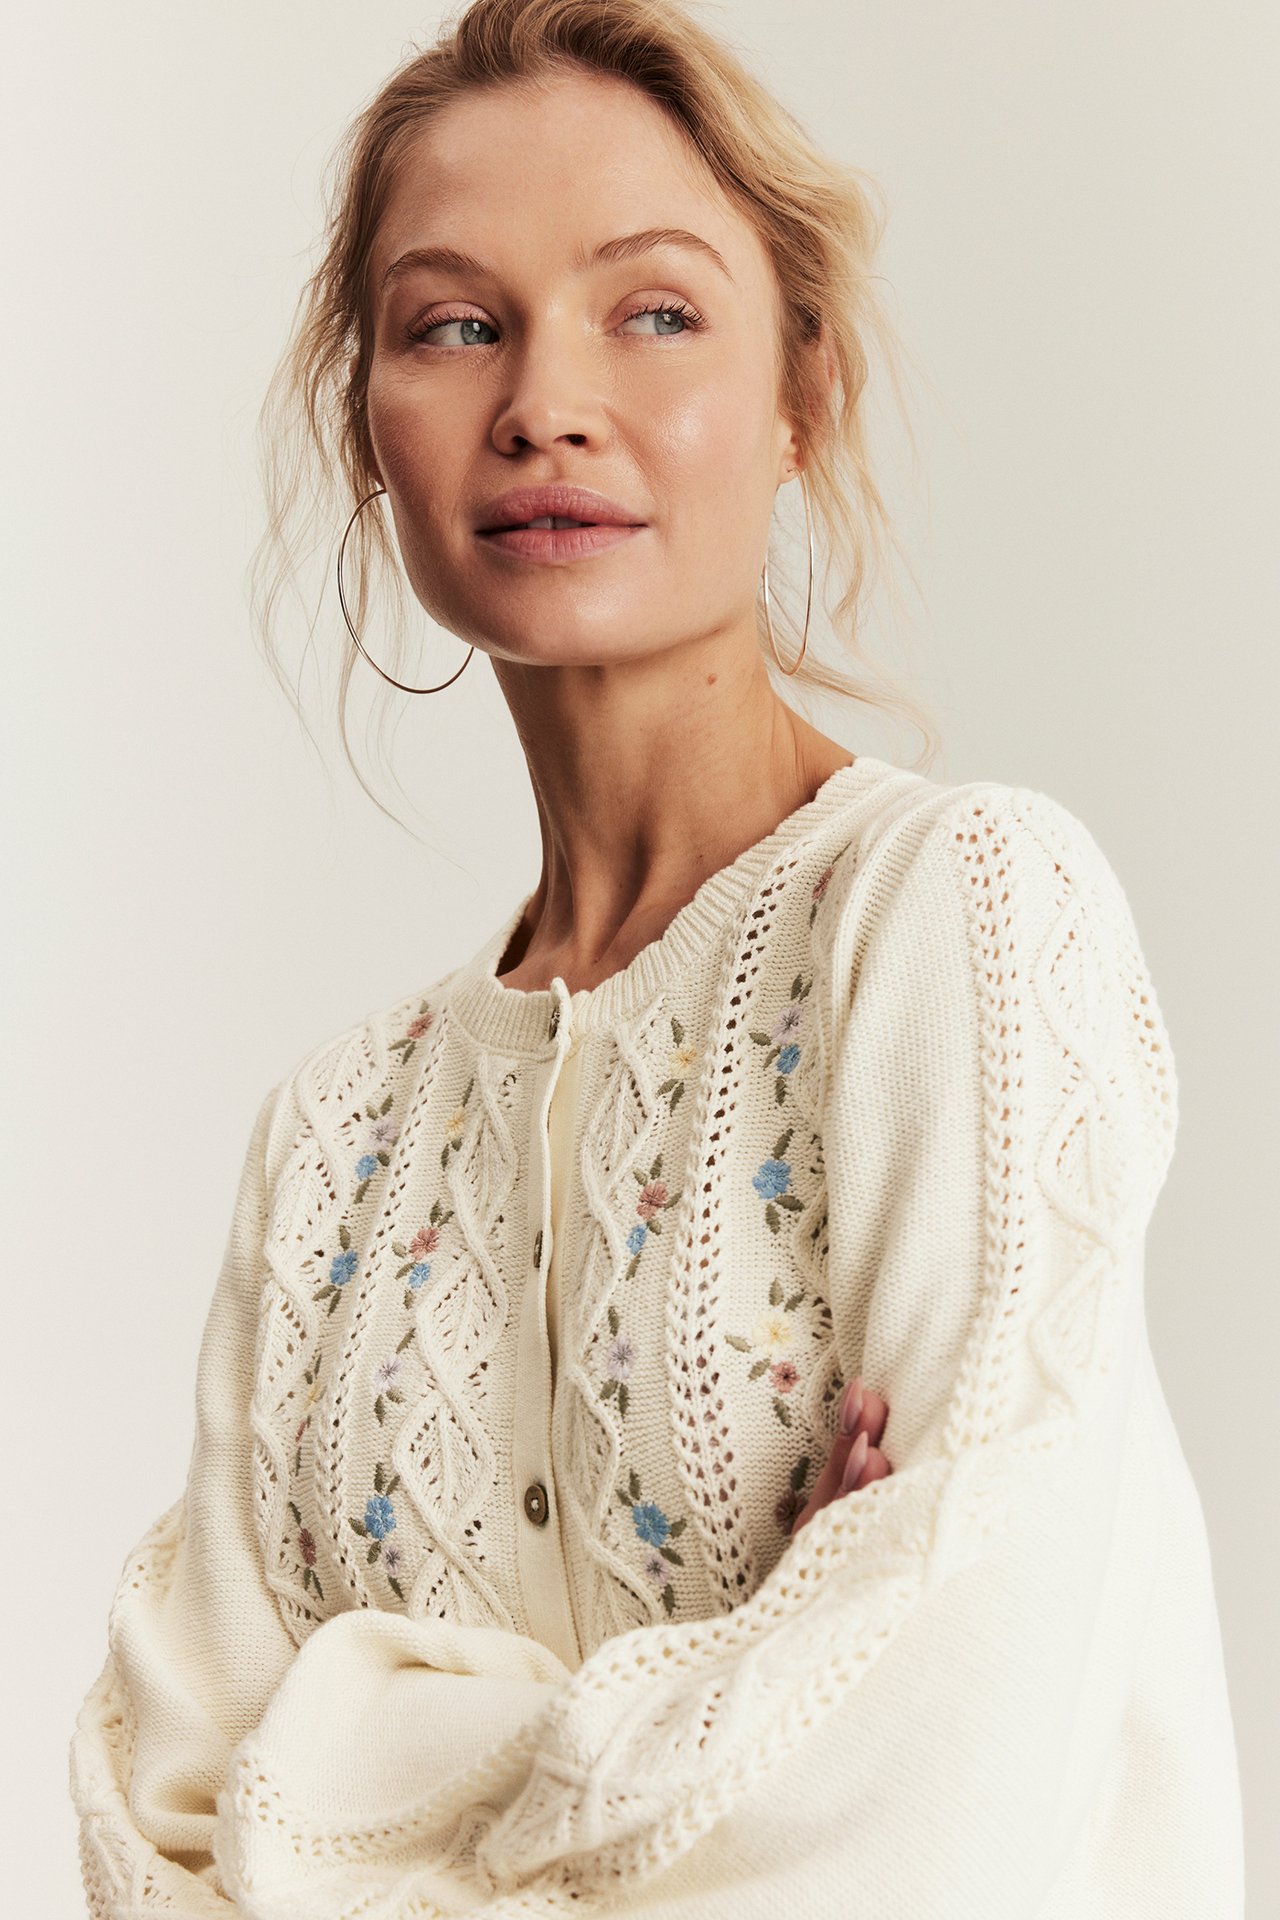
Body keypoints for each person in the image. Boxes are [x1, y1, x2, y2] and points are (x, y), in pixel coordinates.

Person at [69, 1, 1245, 1914]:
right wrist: (745, 1683)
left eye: (654, 310)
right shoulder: (335, 1137)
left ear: (805, 395)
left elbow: (942, 1783)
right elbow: (159, 1823)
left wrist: (354, 1758)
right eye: (457, 323)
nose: (546, 399)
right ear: (367, 426)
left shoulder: (953, 916)